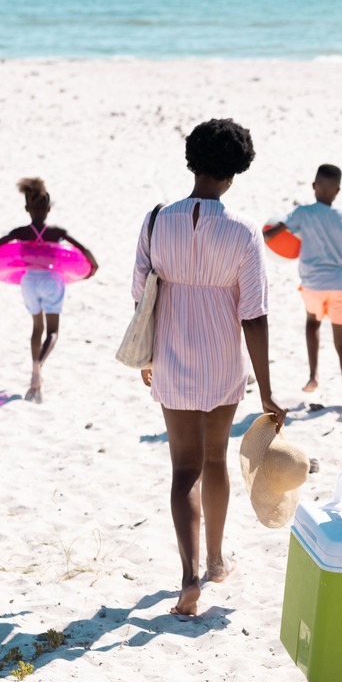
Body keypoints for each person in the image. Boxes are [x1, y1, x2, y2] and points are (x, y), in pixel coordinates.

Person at [134, 118, 286, 617]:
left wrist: (150, 354)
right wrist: (266, 388)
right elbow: (255, 313)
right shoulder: (242, 230)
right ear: (236, 172)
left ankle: (187, 579)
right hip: (223, 359)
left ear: (191, 160)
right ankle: (217, 561)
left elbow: (141, 294)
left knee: (183, 469)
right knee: (216, 461)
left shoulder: (157, 220)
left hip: (173, 356)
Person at [265, 164, 342, 422]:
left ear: (314, 186)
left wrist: (271, 231)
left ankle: (313, 376)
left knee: (312, 324)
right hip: (340, 285)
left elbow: (272, 235)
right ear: (337, 191)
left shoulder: (302, 213)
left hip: (313, 285)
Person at [0, 177, 99, 403]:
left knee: (37, 328)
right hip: (52, 280)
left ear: (26, 208)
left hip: (29, 281)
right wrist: (92, 266)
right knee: (53, 332)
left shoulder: (21, 232)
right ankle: (39, 365)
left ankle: (34, 369)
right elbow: (83, 249)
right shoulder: (56, 232)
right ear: (49, 209)